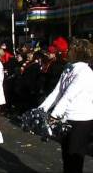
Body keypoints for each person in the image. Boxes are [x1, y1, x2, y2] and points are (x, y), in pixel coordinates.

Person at [39, 38, 93, 173]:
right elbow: (57, 92)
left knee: (74, 158)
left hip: (80, 120)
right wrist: (41, 109)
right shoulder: (68, 68)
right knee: (66, 157)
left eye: (70, 49)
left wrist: (53, 115)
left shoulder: (85, 72)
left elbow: (68, 95)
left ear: (78, 52)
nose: (67, 51)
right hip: (65, 118)